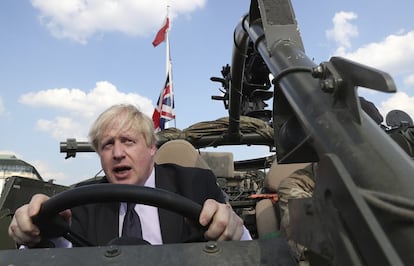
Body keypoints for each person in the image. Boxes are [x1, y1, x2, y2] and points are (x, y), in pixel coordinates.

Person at [8, 104, 251, 247]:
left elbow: (240, 245)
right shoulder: (79, 203)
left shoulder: (196, 185)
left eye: (128, 141)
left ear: (151, 147)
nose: (117, 153)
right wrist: (34, 231)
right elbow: (60, 252)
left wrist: (231, 228)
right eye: (107, 145)